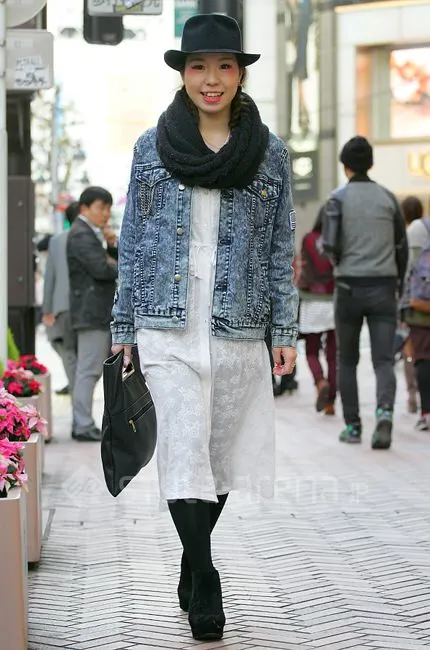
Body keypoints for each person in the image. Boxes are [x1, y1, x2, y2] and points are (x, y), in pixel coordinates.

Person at [110, 14, 298, 642]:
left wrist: (284, 331)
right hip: (166, 324)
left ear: (240, 74)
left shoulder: (270, 153)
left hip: (237, 323)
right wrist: (124, 325)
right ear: (183, 74)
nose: (211, 79)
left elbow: (279, 249)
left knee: (217, 457)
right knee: (183, 446)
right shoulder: (151, 147)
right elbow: (132, 242)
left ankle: (191, 561)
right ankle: (208, 575)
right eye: (198, 66)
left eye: (223, 66)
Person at [322, 136, 408, 450]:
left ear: (345, 166)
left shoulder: (337, 199)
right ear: (371, 164)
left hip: (349, 287)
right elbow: (401, 248)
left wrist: (340, 263)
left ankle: (353, 426)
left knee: (347, 360)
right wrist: (397, 285)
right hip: (384, 285)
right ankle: (384, 412)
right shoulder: (388, 199)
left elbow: (329, 244)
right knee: (383, 359)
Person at [67, 187, 118, 442]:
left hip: (93, 311)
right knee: (88, 370)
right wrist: (122, 267)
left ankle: (83, 422)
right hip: (91, 312)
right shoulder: (81, 233)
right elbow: (100, 269)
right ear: (84, 208)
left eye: (108, 208)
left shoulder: (89, 232)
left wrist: (111, 247)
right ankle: (83, 425)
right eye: (101, 207)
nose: (105, 214)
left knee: (89, 369)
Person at [298, 207, 336, 414]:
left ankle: (320, 382)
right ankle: (330, 403)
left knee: (312, 350)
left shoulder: (308, 239)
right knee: (333, 354)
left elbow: (305, 267)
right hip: (335, 299)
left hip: (312, 300)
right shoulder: (337, 238)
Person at [42, 201, 79, 398]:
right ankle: (78, 388)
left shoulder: (56, 241)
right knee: (84, 353)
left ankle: (76, 388)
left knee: (67, 349)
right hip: (87, 306)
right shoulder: (94, 238)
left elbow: (50, 278)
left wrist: (47, 309)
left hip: (63, 305)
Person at [400, 197, 430, 430]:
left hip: (421, 305)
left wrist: (402, 308)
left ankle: (426, 412)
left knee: (422, 358)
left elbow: (406, 270)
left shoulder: (417, 229)